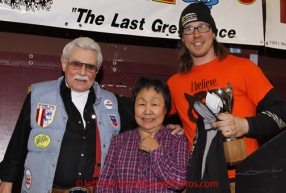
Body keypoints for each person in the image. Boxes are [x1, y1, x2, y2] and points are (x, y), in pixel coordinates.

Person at [0, 37, 183, 193]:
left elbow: (148, 118)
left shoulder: (114, 103)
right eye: (76, 64)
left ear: (98, 70)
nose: (82, 72)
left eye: (90, 67)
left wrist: (171, 126)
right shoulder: (38, 96)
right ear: (64, 62)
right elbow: (18, 143)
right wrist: (6, 184)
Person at [167, 2, 286, 193]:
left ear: (213, 32)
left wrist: (244, 125)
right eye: (188, 29)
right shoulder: (174, 83)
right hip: (201, 182)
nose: (196, 34)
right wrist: (170, 128)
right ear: (182, 38)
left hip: (246, 178)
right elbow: (149, 116)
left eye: (203, 27)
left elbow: (281, 113)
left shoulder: (244, 68)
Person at [96, 76, 189, 193]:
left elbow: (179, 182)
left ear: (165, 109)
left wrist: (155, 151)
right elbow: (104, 185)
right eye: (141, 104)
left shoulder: (177, 139)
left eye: (154, 104)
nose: (147, 111)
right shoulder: (119, 141)